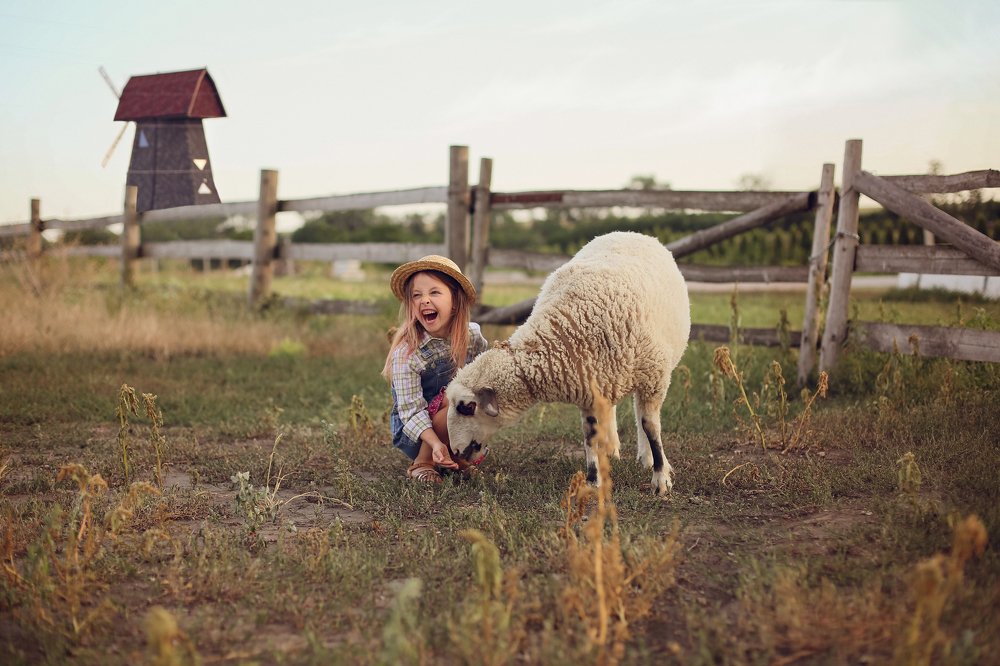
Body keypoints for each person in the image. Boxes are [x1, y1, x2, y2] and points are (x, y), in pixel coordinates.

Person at [382, 255, 488, 483]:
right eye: (416, 295)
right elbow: (411, 412)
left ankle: (455, 456)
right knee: (458, 393)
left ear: (455, 301)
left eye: (434, 292)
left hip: (460, 419)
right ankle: (423, 462)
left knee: (476, 390)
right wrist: (435, 443)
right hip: (417, 432)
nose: (424, 300)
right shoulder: (408, 352)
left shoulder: (473, 336)